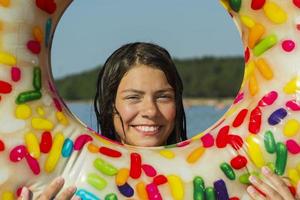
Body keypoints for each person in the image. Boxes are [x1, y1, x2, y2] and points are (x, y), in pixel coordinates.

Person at [17, 42, 300, 199]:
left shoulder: (220, 181)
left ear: (177, 103)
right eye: (133, 97)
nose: (150, 110)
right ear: (109, 105)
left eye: (163, 97)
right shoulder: (70, 186)